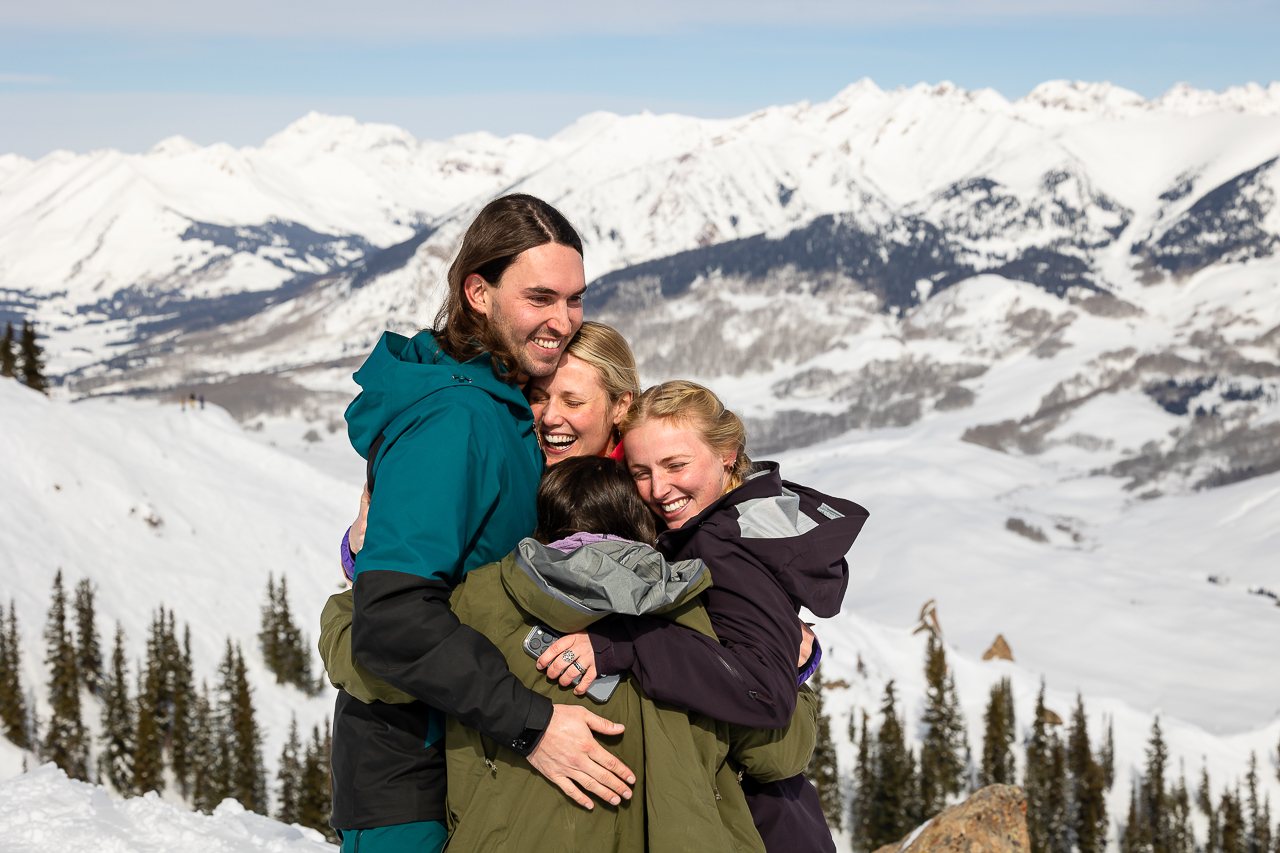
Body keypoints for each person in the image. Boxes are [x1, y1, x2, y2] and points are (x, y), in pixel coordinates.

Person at [331, 194, 636, 853]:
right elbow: (393, 618)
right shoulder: (456, 419)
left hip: (471, 763)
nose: (563, 320)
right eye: (541, 298)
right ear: (479, 290)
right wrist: (535, 724)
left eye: (575, 298)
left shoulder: (503, 401)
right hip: (414, 784)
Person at [322, 456, 821, 852]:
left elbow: (370, 660)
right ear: (646, 528)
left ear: (541, 526)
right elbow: (778, 753)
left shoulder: (482, 600)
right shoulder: (698, 611)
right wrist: (787, 668)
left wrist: (371, 573)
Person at [545, 380, 869, 852]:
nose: (659, 489)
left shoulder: (718, 549)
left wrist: (627, 646)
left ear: (727, 452)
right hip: (780, 821)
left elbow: (763, 694)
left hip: (755, 827)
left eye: (677, 465)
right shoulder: (741, 523)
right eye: (640, 472)